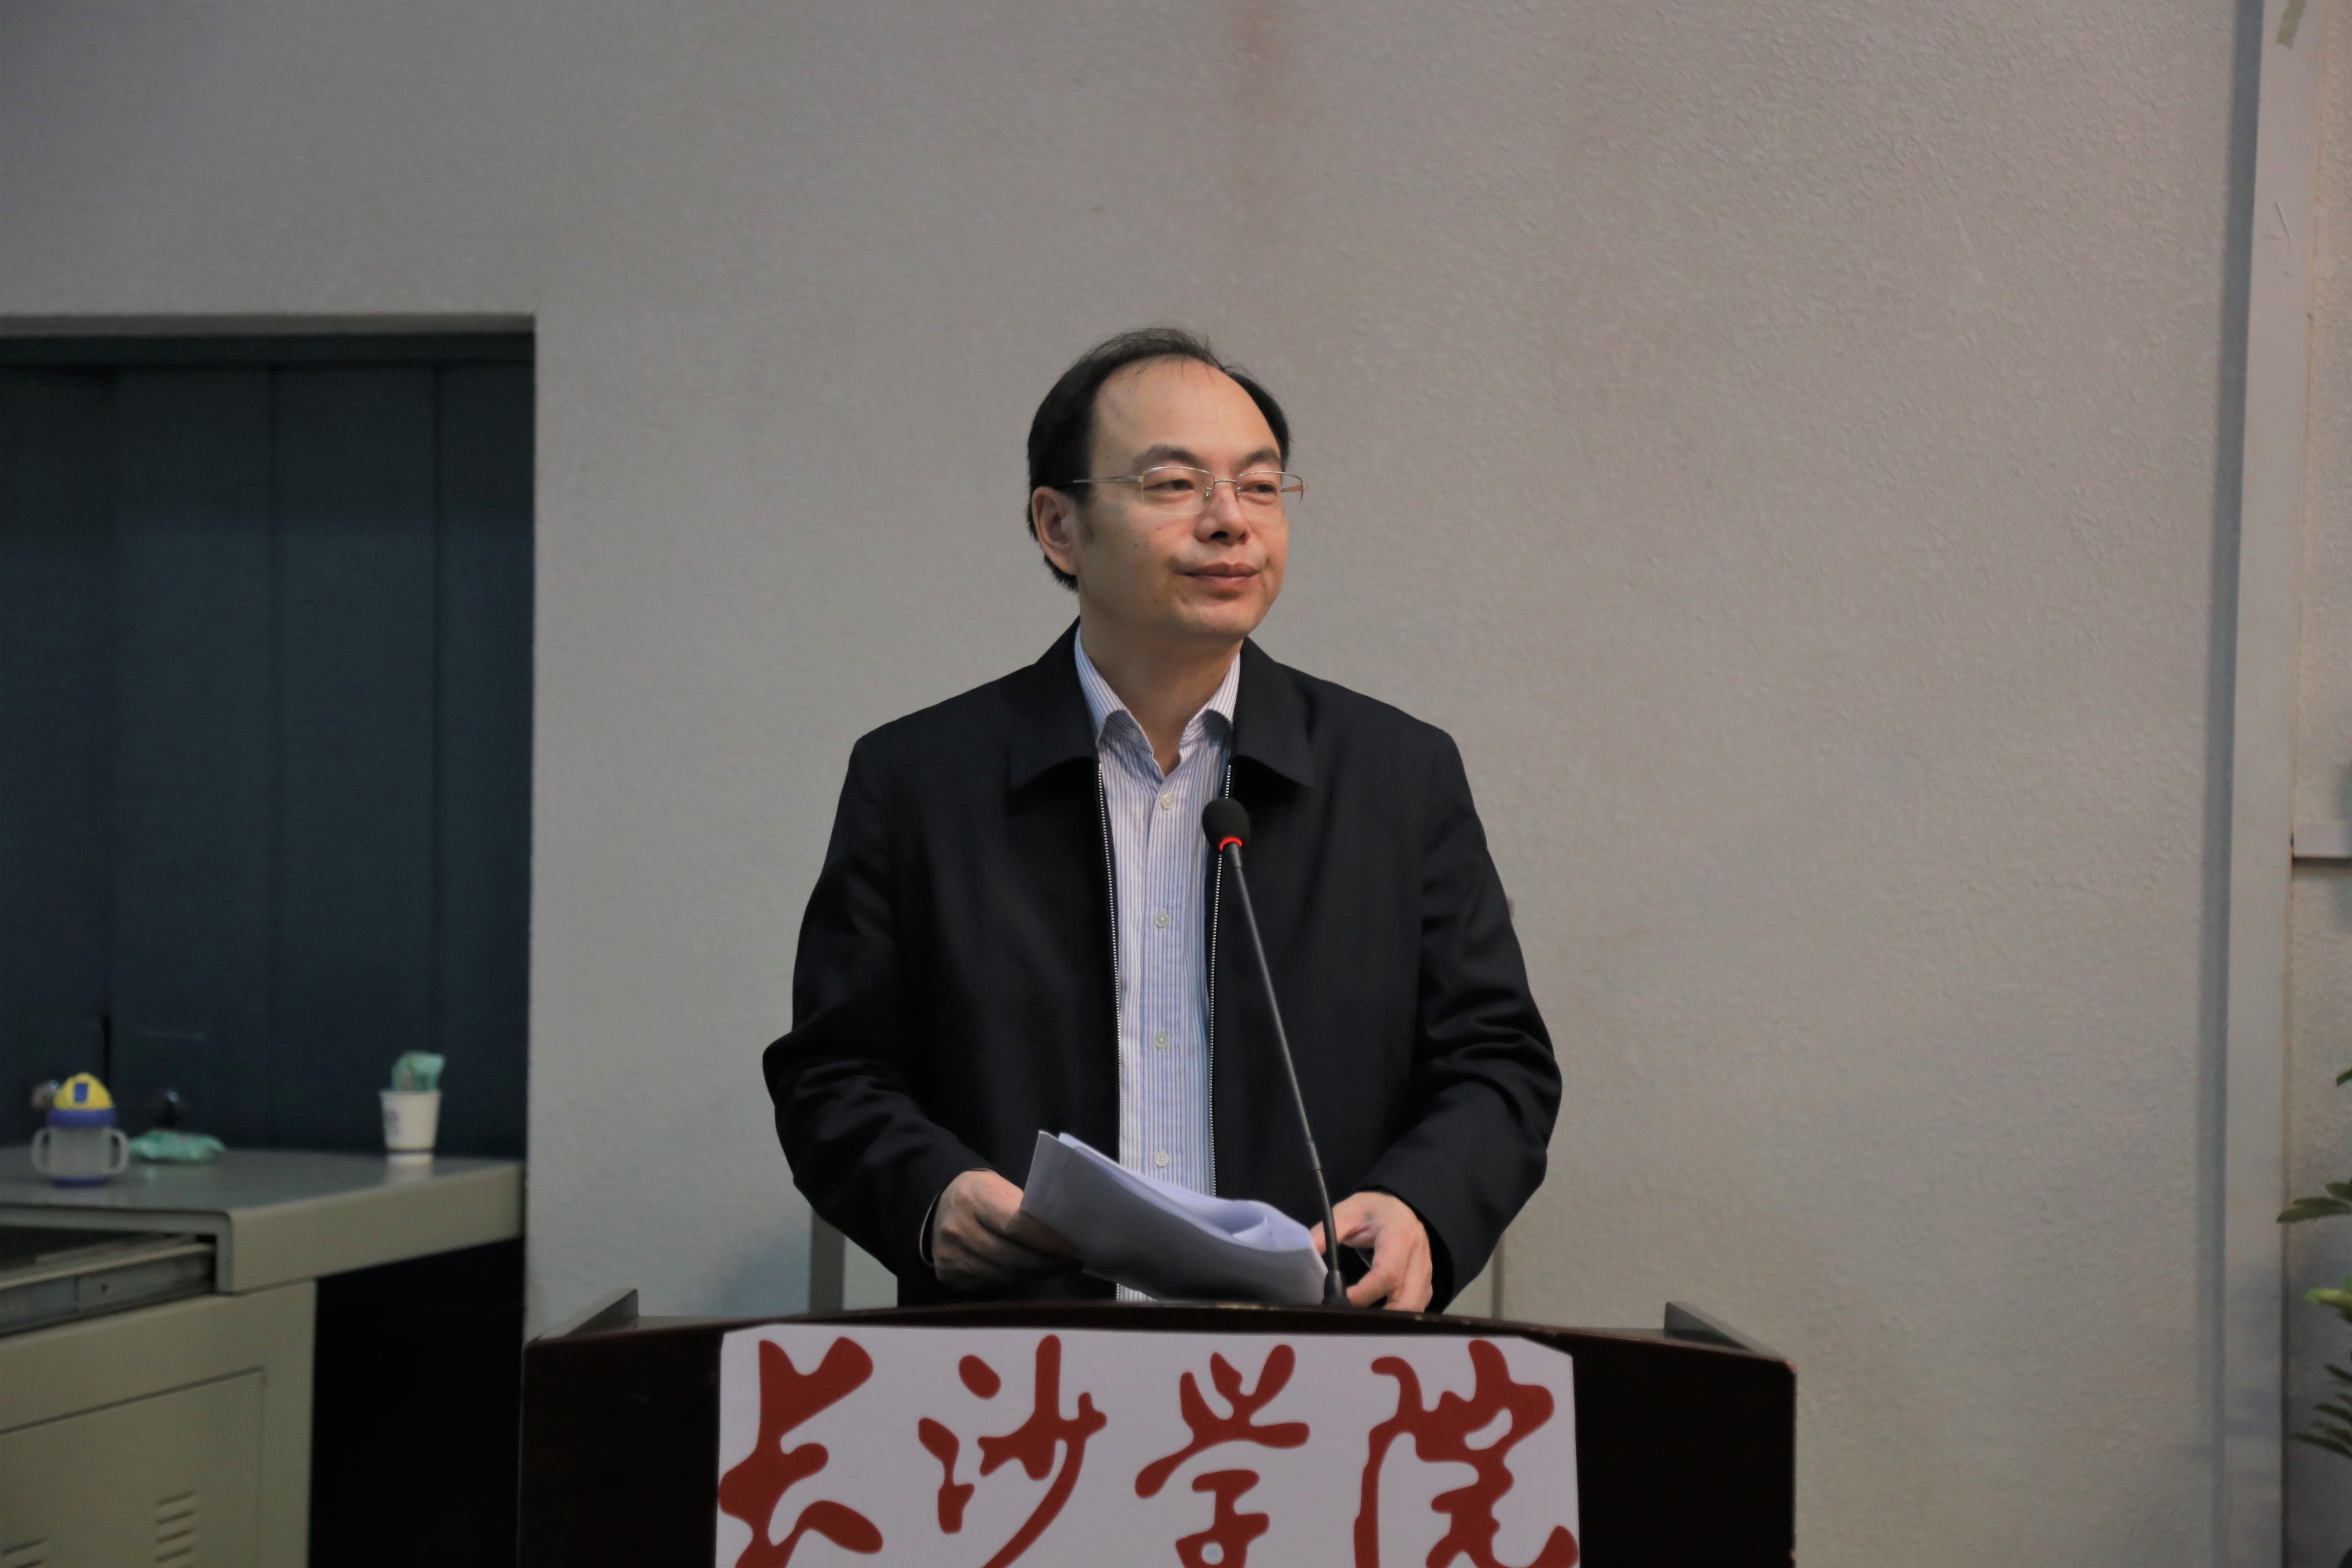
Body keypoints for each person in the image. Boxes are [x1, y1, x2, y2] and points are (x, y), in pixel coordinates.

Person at [764, 328, 1559, 1310]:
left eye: (1260, 487)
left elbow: (1496, 1064)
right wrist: (931, 1197)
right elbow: (834, 1073)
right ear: (1059, 527)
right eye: (1175, 484)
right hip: (1023, 1365)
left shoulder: (1398, 776)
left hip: (1314, 1357)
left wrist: (1419, 1207)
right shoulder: (920, 781)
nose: (1230, 522)